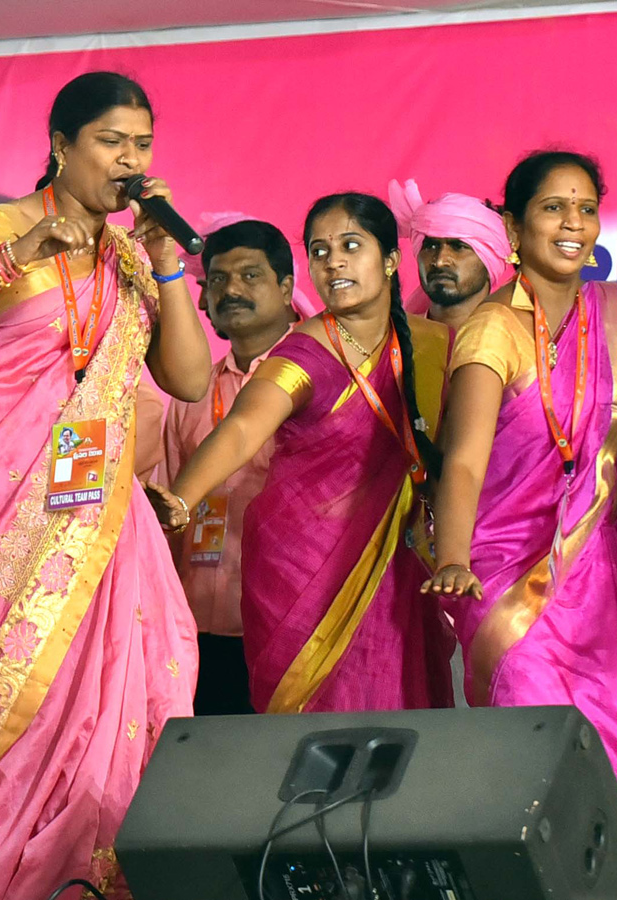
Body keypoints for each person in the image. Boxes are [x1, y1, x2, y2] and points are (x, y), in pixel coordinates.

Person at [0, 71, 210, 899]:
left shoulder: (135, 254)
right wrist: (12, 258)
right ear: (62, 146)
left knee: (130, 682)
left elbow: (187, 375)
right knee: (9, 714)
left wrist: (168, 268)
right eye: (112, 143)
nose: (130, 161)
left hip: (101, 510)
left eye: (142, 145)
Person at [149, 192, 455, 715]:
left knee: (396, 722)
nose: (332, 260)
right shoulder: (305, 349)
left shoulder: (435, 347)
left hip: (399, 567)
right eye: (319, 250)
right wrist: (181, 498)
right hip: (300, 576)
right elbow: (245, 428)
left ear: (388, 259)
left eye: (350, 245)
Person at [423, 151, 617, 766]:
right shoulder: (493, 330)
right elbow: (464, 463)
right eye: (553, 208)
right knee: (535, 745)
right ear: (512, 228)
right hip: (505, 572)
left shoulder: (606, 313)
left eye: (586, 209)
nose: (573, 224)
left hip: (597, 576)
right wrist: (452, 557)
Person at [161, 219, 299, 716]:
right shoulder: (191, 393)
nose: (231, 290)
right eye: (218, 279)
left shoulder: (315, 381)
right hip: (197, 626)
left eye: (250, 276)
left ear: (286, 288)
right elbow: (173, 508)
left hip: (284, 617)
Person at [388, 178, 511, 331]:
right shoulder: (393, 339)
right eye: (430, 246)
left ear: (490, 261)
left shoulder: (515, 343)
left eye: (458, 247)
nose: (440, 261)